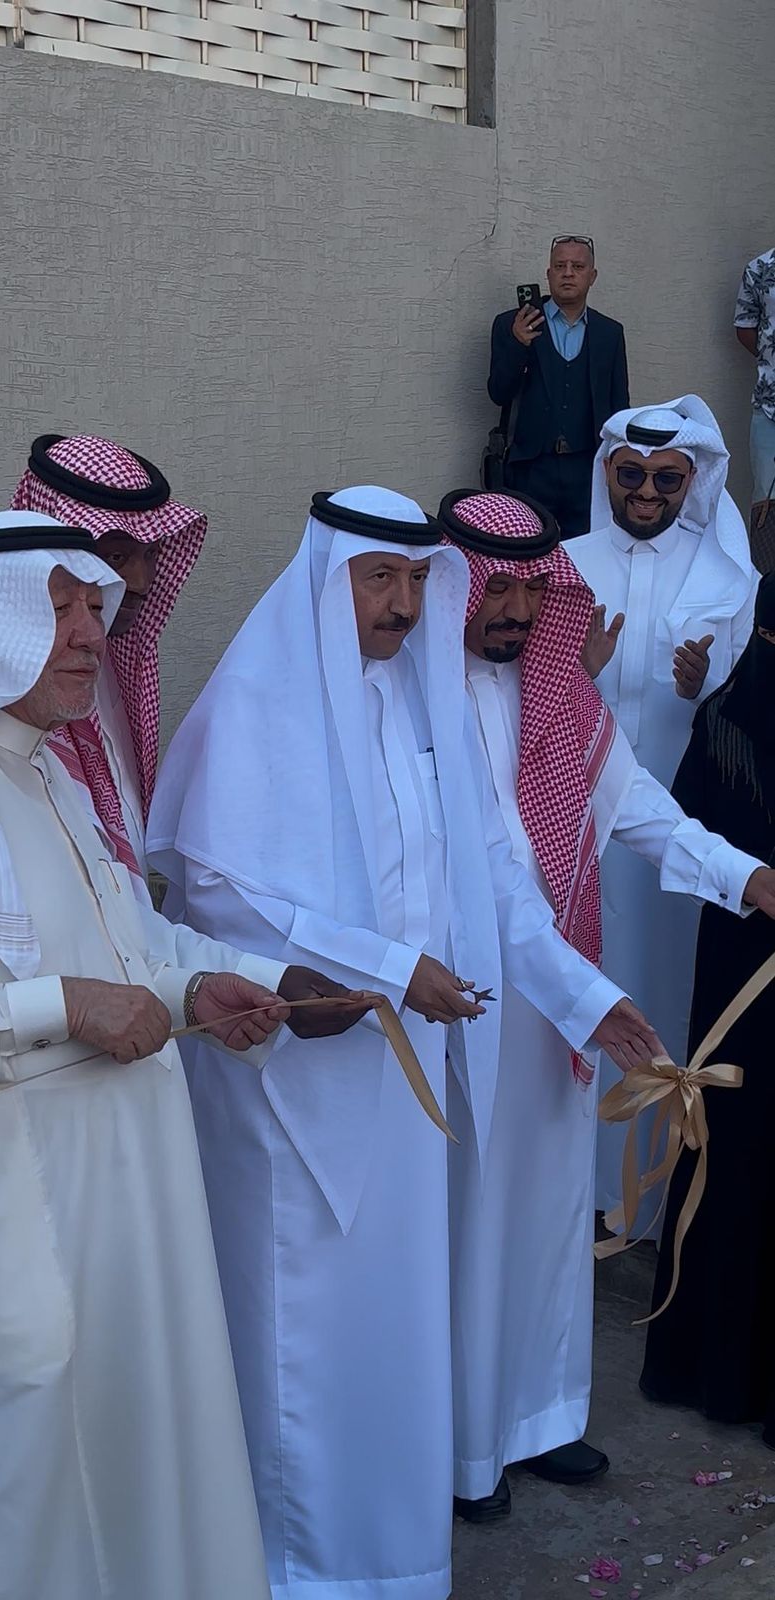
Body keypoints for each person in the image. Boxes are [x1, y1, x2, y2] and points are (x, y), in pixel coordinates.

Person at [146, 484, 662, 1600]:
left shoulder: (423, 706)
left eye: (417, 578)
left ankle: (388, 1560)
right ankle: (291, 1566)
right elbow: (222, 897)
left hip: (406, 1076)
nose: (401, 603)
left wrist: (585, 1000)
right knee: (302, 1335)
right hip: (293, 1095)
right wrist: (387, 968)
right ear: (327, 578)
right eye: (377, 578)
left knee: (393, 1328)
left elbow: (497, 890)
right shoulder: (253, 708)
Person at [0, 509, 372, 1600]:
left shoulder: (51, 777)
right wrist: (63, 1006)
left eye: (94, 608)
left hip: (110, 1207)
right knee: (10, 1500)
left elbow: (122, 948)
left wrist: (197, 987)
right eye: (57, 608)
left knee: (122, 1469)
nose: (89, 634)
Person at [437, 489, 775, 1522]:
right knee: (475, 1218)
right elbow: (491, 877)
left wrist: (748, 877)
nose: (513, 609)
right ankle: (463, 1445)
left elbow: (634, 807)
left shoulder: (549, 686)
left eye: (530, 590)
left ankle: (535, 1419)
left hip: (557, 993)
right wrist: (589, 995)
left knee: (547, 1208)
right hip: (466, 1002)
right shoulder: (420, 697)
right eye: (493, 587)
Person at [569, 396, 758, 1234]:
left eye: (666, 479)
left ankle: (652, 1201)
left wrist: (703, 689)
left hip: (681, 835)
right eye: (631, 474)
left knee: (666, 995)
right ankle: (575, 1195)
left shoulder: (727, 579)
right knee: (581, 998)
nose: (646, 493)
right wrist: (574, 673)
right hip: (574, 829)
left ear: (694, 481)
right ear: (607, 471)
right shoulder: (565, 564)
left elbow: (744, 715)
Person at [641, 574, 775, 1445]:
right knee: (735, 1148)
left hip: (735, 965)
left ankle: (711, 1366)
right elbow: (684, 833)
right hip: (742, 978)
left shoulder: (727, 709)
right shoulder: (728, 714)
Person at [12, 432, 206, 883]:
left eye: (151, 554)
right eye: (116, 557)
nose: (141, 582)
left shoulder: (119, 664)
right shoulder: (9, 691)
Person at [487, 235, 629, 538]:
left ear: (592, 276)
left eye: (577, 266)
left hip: (587, 468)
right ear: (548, 274)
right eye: (560, 266)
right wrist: (518, 345)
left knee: (584, 552)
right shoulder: (512, 323)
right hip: (529, 467)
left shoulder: (609, 333)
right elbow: (498, 392)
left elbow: (619, 406)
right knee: (525, 551)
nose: (568, 273)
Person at [734, 245, 775, 547]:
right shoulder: (760, 268)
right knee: (766, 500)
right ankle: (766, 571)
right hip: (770, 406)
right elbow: (745, 328)